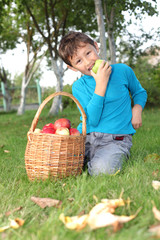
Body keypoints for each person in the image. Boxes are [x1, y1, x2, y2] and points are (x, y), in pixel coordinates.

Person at [58, 31, 147, 176]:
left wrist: (136, 110)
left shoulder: (122, 71)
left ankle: (113, 156)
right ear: (73, 68)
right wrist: (101, 84)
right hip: (85, 137)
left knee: (101, 171)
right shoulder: (78, 87)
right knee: (59, 164)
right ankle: (89, 160)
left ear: (96, 47)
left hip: (115, 140)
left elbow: (139, 92)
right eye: (79, 61)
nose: (88, 62)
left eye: (88, 53)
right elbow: (92, 119)